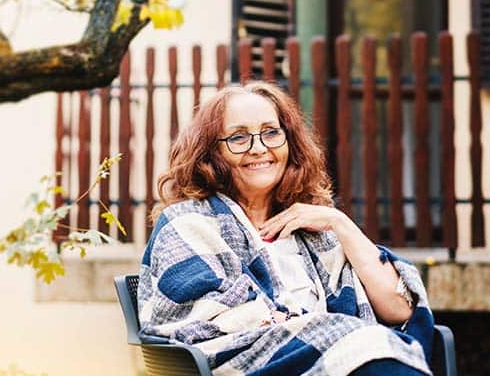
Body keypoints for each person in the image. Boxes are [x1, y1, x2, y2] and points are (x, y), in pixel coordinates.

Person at [137, 81, 434, 376]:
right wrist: (319, 330)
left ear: (289, 142)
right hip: (249, 366)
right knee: (378, 354)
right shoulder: (188, 224)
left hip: (342, 359)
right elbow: (203, 327)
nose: (259, 148)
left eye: (271, 132)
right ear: (211, 153)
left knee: (376, 352)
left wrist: (339, 223)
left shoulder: (314, 231)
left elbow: (400, 310)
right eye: (239, 137)